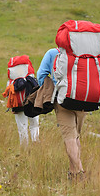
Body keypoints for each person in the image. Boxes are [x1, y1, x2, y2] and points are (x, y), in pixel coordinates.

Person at [37, 48, 86, 179]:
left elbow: (41, 75)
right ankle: (73, 173)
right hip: (84, 99)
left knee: (69, 137)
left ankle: (80, 172)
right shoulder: (85, 53)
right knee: (75, 136)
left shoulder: (52, 53)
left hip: (62, 98)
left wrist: (49, 90)